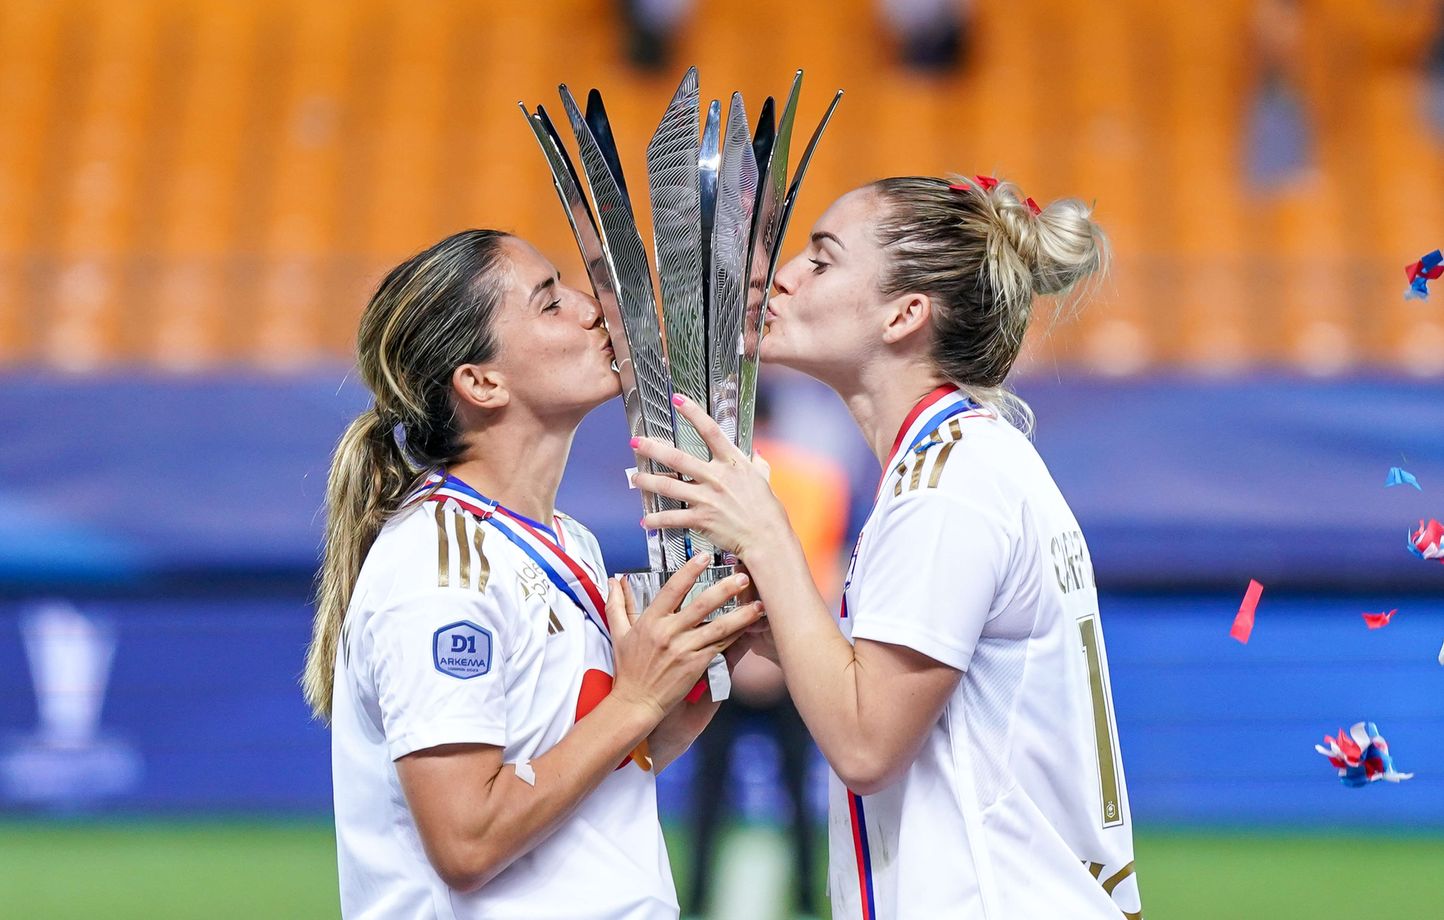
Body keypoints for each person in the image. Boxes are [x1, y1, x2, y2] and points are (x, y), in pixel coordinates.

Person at [631, 176, 1142, 918]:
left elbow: (866, 745)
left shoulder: (948, 483)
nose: (786, 274)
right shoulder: (960, 460)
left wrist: (767, 533)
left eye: (823, 258)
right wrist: (772, 621)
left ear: (905, 314)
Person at [300, 228, 764, 919]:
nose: (593, 308)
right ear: (482, 382)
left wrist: (691, 678)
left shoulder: (563, 537)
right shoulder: (439, 565)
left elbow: (591, 771)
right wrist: (635, 701)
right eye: (550, 303)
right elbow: (468, 842)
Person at [683, 384, 848, 920]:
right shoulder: (821, 481)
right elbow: (826, 572)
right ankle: (805, 899)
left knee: (709, 787)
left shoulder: (716, 486)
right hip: (788, 653)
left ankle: (698, 899)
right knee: (800, 786)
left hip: (729, 645)